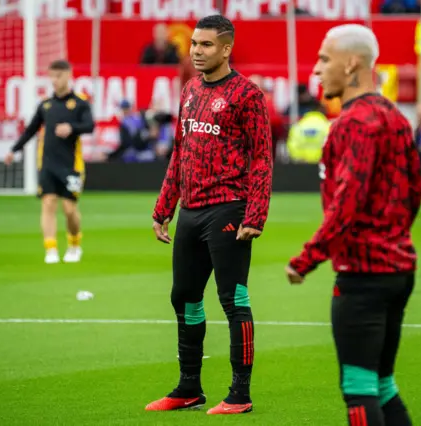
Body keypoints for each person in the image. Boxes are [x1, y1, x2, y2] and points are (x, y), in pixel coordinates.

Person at [285, 24, 421, 426]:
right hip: (400, 268)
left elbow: (345, 204)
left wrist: (306, 259)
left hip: (364, 274)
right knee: (382, 385)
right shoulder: (396, 118)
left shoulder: (352, 124)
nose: (316, 69)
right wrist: (393, 235)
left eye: (324, 59)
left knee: (359, 391)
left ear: (351, 65)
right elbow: (415, 190)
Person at [146, 15, 273, 415]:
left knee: (233, 299)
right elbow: (180, 152)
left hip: (229, 209)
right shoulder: (189, 90)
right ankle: (189, 387)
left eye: (205, 45)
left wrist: (256, 213)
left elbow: (262, 157)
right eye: (194, 44)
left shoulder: (247, 95)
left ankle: (240, 393)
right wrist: (164, 207)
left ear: (225, 48)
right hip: (191, 212)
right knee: (183, 297)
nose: (196, 51)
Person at [5, 60, 95, 264]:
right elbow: (30, 130)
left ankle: (74, 243)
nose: (54, 81)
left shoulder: (80, 103)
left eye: (58, 76)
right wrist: (14, 150)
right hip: (47, 164)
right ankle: (51, 249)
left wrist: (71, 128)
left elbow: (90, 125)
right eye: (52, 76)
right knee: (48, 203)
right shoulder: (46, 105)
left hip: (71, 166)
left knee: (70, 209)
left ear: (68, 75)